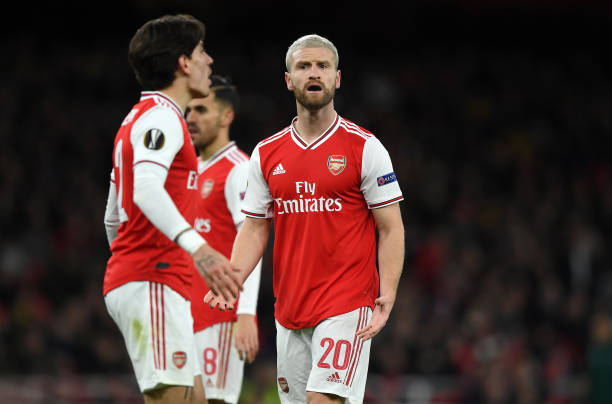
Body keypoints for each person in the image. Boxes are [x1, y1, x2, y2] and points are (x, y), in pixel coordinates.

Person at [206, 34, 405, 404]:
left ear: (337, 77)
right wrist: (232, 277)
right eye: (304, 66)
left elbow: (390, 227)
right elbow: (254, 227)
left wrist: (388, 292)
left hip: (347, 303)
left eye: (323, 66)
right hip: (291, 310)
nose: (314, 73)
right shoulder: (267, 153)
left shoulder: (365, 147)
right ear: (289, 79)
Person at [102, 14, 242, 404]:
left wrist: (127, 265)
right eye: (200, 52)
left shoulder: (135, 121)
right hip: (155, 279)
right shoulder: (164, 118)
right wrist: (198, 248)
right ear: (183, 63)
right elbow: (145, 190)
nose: (208, 61)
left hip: (150, 279)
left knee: (197, 398)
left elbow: (113, 216)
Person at [185, 75, 263, 404]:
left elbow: (252, 238)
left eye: (201, 109)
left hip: (219, 317)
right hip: (186, 315)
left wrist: (245, 313)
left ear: (226, 116)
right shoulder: (191, 171)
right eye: (188, 109)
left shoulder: (238, 169)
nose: (190, 118)